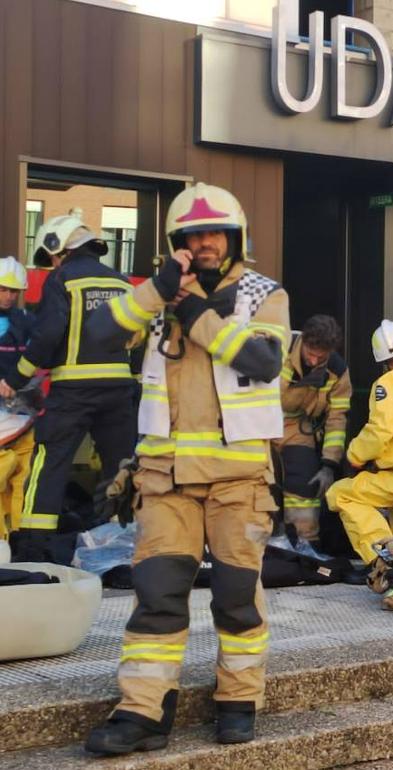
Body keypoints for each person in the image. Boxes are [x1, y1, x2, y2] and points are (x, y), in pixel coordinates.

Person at [79, 183, 290, 754]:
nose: (204, 243)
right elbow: (98, 336)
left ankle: (239, 698)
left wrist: (193, 311)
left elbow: (263, 360)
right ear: (176, 242)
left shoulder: (264, 294)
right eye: (192, 235)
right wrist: (156, 293)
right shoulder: (154, 297)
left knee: (237, 597)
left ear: (235, 237)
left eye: (214, 232)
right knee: (157, 595)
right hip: (164, 478)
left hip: (238, 482)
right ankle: (144, 710)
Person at [1, 214, 138, 563]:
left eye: (53, 258)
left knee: (50, 463)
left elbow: (47, 336)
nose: (53, 265)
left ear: (58, 247)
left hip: (73, 390)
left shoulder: (62, 278)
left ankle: (34, 550)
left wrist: (16, 378)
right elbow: (137, 334)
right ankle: (117, 545)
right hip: (119, 389)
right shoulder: (121, 281)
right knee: (120, 467)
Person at [327, 320, 393, 563]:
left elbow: (381, 429)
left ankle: (383, 559)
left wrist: (354, 456)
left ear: (387, 361)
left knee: (340, 494)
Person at [276, 315, 351, 549]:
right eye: (310, 353)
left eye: (321, 356)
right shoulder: (279, 347)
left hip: (298, 427)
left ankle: (305, 545)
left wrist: (329, 464)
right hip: (258, 425)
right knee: (256, 487)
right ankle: (252, 546)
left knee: (304, 483)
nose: (314, 359)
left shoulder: (336, 370)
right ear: (304, 342)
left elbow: (337, 418)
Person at [0, 257, 38, 540]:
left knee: (22, 479)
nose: (9, 296)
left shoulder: (26, 321)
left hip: (22, 413)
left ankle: (17, 537)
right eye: (3, 289)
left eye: (14, 291)